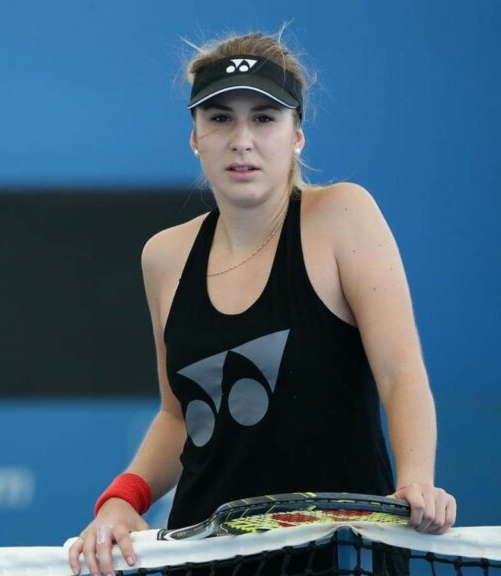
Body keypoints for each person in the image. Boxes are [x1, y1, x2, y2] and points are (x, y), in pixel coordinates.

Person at [68, 30, 456, 576]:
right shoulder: (165, 255)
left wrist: (416, 477)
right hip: (205, 558)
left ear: (297, 135)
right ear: (195, 138)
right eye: (220, 118)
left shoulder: (344, 215)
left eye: (264, 118)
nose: (242, 139)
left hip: (339, 554)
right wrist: (122, 498)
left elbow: (399, 373)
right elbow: (179, 415)